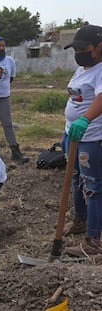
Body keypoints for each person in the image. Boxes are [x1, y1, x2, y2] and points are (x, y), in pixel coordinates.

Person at [59, 25, 102, 257]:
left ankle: (93, 241)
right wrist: (69, 128)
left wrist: (84, 120)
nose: (78, 53)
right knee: (75, 179)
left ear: (99, 47)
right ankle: (79, 221)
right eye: (75, 49)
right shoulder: (84, 68)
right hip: (72, 135)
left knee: (93, 188)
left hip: (91, 137)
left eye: (82, 49)